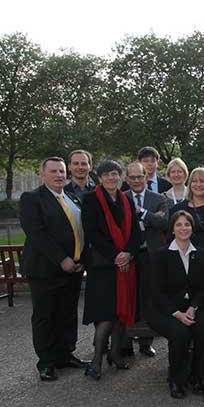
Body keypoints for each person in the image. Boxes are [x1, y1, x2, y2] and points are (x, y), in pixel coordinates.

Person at [19, 157, 89, 381]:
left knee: (67, 313)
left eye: (61, 171)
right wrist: (62, 259)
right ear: (43, 175)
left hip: (73, 269)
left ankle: (65, 354)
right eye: (53, 171)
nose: (59, 175)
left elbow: (80, 229)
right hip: (45, 270)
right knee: (45, 316)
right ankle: (47, 362)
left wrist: (81, 259)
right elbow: (37, 233)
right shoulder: (32, 199)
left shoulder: (70, 197)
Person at [81, 160, 141, 380]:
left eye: (115, 174)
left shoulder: (126, 199)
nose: (111, 178)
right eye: (106, 175)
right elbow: (92, 233)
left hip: (125, 265)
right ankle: (96, 360)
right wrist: (116, 255)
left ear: (120, 176)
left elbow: (135, 232)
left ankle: (115, 354)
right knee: (105, 315)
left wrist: (129, 253)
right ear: (99, 178)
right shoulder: (90, 200)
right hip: (103, 266)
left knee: (120, 313)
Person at [148, 211, 204, 399]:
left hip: (191, 308)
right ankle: (176, 379)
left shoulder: (201, 254)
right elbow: (156, 292)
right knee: (180, 332)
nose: (184, 228)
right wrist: (177, 314)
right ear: (172, 230)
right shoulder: (160, 255)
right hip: (164, 311)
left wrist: (193, 308)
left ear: (193, 228)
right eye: (179, 225)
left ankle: (197, 377)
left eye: (187, 224)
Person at [122, 161, 170, 358]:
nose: (136, 181)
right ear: (126, 179)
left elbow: (164, 222)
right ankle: (124, 345)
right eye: (132, 177)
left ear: (146, 177)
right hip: (129, 255)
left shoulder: (158, 198)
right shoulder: (121, 198)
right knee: (129, 297)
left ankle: (145, 343)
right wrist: (153, 219)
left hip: (152, 254)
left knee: (150, 297)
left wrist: (143, 213)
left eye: (139, 176)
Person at [169, 168, 204, 250]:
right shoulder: (178, 209)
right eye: (194, 181)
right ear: (190, 184)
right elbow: (171, 237)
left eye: (203, 181)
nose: (198, 185)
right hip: (188, 254)